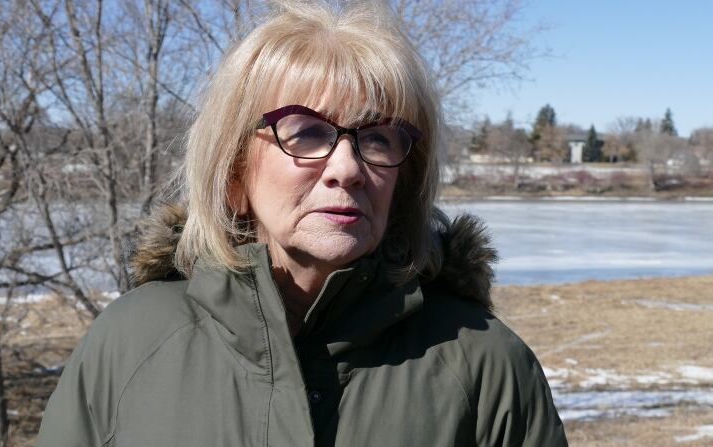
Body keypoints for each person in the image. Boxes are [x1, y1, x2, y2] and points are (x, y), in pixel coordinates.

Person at [36, 1, 568, 446]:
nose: (348, 168)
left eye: (379, 138)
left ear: (404, 181)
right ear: (234, 171)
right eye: (307, 132)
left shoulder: (484, 364)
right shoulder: (131, 342)